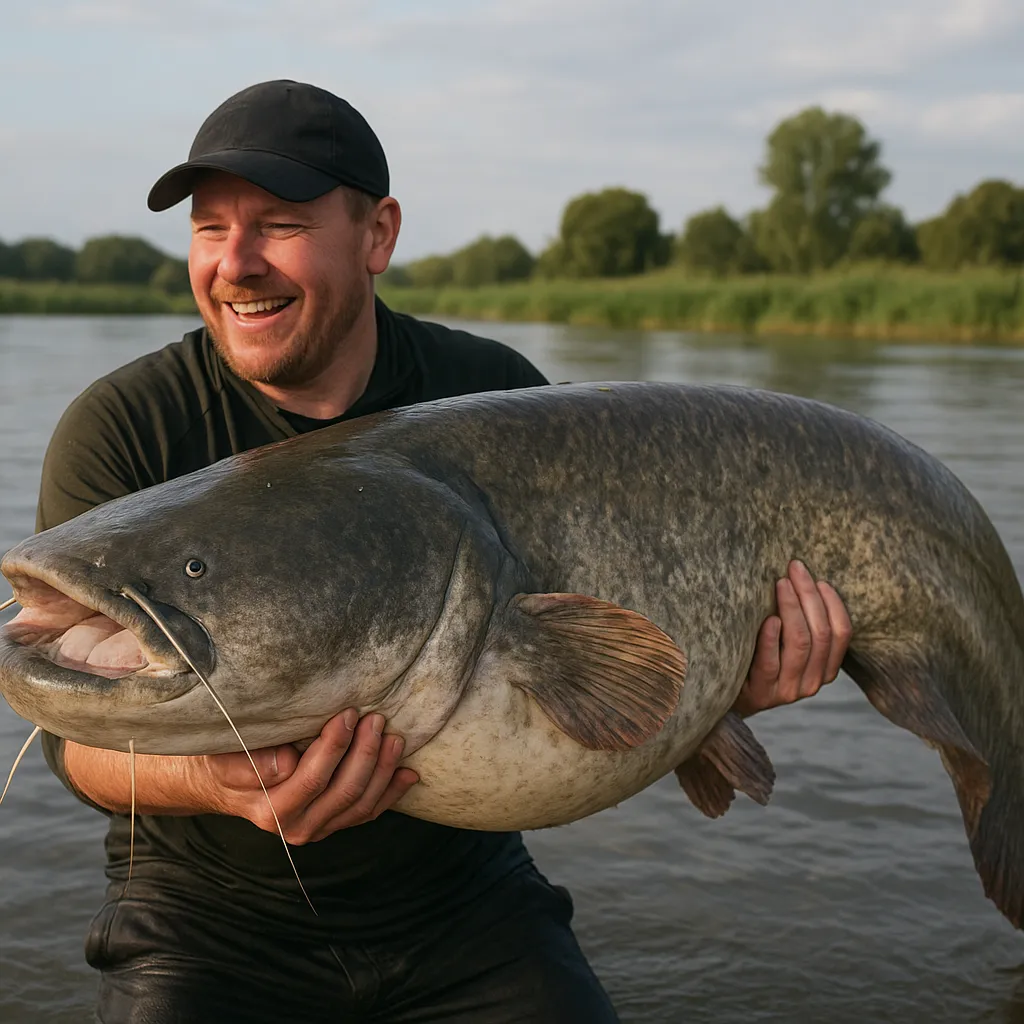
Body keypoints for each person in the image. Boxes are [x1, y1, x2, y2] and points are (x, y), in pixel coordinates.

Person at [35, 80, 852, 1023]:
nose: (236, 262)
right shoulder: (124, 428)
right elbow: (76, 738)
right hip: (203, 918)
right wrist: (216, 785)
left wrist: (720, 678)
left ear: (378, 234)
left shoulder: (497, 397)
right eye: (210, 229)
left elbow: (600, 670)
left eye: (280, 223)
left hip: (463, 904)